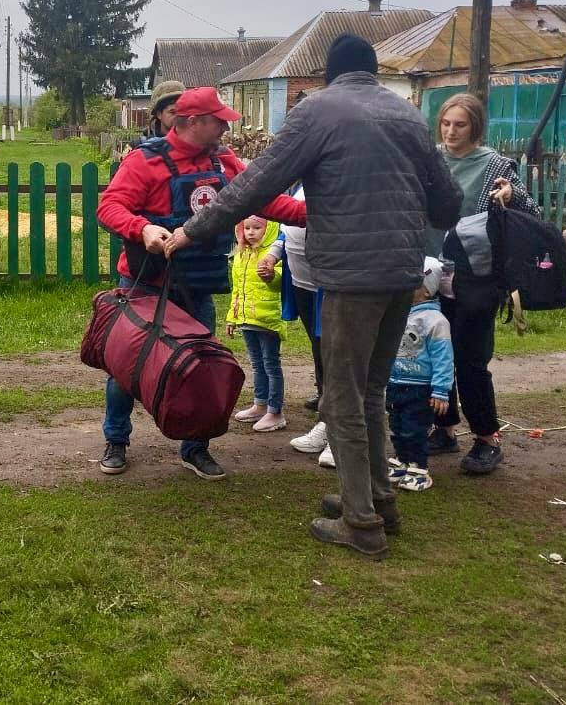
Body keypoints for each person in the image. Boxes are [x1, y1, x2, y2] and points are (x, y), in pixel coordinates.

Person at [164, 34, 460, 558]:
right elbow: (448, 204)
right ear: (373, 72)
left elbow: (255, 184)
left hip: (350, 276)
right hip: (401, 274)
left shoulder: (317, 111)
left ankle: (361, 523)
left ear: (328, 74)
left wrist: (191, 229)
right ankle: (377, 499)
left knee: (343, 396)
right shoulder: (410, 115)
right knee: (369, 391)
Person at [96, 86, 306, 480]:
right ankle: (116, 441)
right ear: (193, 122)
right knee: (126, 367)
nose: (226, 128)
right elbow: (109, 207)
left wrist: (313, 213)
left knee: (199, 369)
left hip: (196, 285)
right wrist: (141, 229)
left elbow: (261, 200)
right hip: (146, 284)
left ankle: (195, 449)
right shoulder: (145, 161)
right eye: (219, 121)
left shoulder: (224, 161)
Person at [428, 92, 541, 476]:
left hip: (476, 276)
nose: (451, 131)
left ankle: (487, 438)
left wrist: (511, 195)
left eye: (459, 125)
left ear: (474, 127)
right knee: (433, 354)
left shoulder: (495, 165)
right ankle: (444, 428)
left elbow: (532, 211)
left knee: (470, 360)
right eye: (446, 123)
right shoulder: (432, 160)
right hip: (430, 272)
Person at [259, 184, 333, 465]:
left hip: (335, 283)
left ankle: (341, 434)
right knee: (320, 351)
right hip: (304, 284)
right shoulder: (301, 181)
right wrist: (274, 252)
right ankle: (326, 423)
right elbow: (286, 226)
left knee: (338, 356)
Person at [385, 258, 453, 493]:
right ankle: (402, 460)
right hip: (396, 383)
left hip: (420, 387)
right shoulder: (399, 314)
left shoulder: (435, 321)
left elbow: (444, 358)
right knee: (397, 424)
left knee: (414, 428)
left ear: (426, 289)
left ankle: (419, 467)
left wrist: (441, 390)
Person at [227, 216, 288, 432]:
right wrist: (232, 317)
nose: (251, 232)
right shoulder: (241, 254)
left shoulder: (274, 255)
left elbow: (280, 283)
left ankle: (275, 411)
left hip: (268, 320)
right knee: (256, 364)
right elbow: (238, 288)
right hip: (246, 319)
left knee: (271, 365)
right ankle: (260, 404)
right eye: (247, 228)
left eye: (257, 228)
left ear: (269, 229)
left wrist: (271, 276)